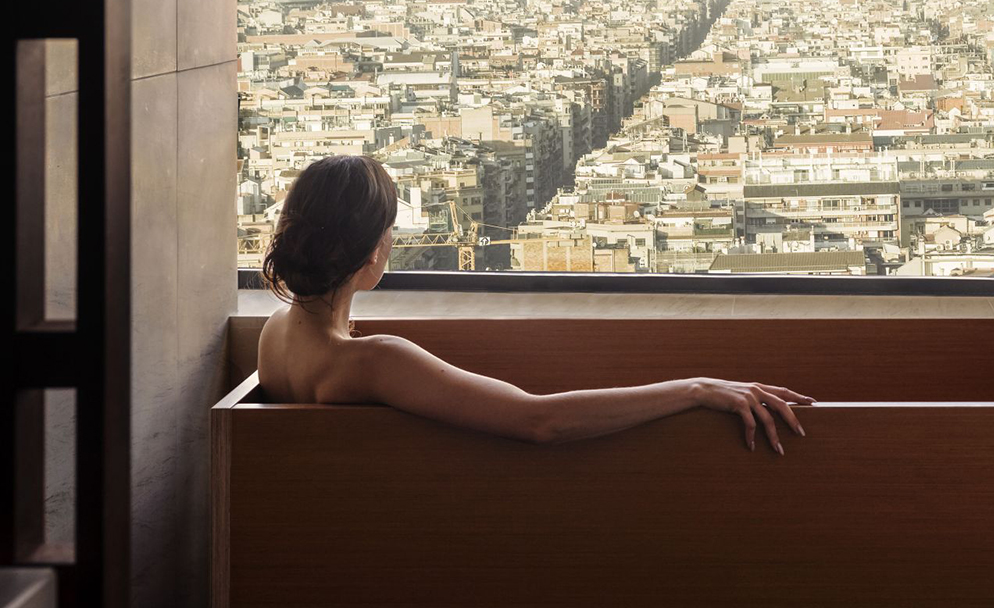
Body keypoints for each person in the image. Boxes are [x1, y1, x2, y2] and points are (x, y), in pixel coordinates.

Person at [255, 154, 815, 453]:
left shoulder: (277, 332)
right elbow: (540, 421)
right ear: (373, 249)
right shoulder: (372, 361)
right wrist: (694, 389)